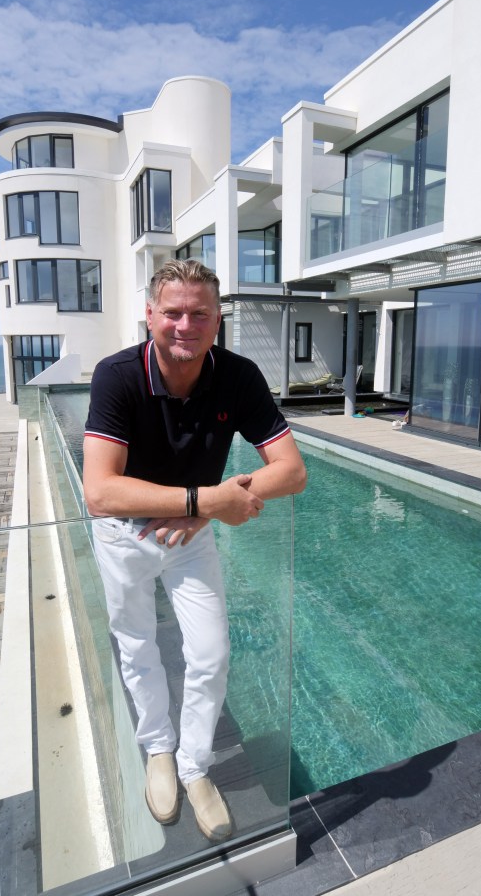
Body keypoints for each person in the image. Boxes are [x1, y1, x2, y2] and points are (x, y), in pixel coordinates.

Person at [83, 259, 307, 843]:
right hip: (123, 536)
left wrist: (205, 506)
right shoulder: (117, 377)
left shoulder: (237, 375)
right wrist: (202, 500)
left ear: (218, 320)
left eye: (200, 314)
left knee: (210, 653)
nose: (186, 324)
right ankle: (159, 749)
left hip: (191, 538)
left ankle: (195, 767)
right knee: (137, 647)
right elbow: (100, 490)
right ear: (150, 315)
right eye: (173, 312)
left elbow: (292, 471)